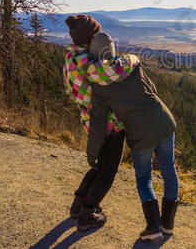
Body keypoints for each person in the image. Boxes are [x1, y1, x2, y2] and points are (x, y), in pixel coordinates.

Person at [77, 21, 179, 241]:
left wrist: (92, 154)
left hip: (141, 133)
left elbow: (98, 124)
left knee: (144, 178)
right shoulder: (131, 65)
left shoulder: (99, 87)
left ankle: (153, 227)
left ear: (95, 56)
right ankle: (167, 225)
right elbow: (153, 90)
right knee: (169, 171)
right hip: (164, 121)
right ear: (113, 51)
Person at [63, 15, 138, 231]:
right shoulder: (86, 64)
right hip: (108, 124)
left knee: (99, 166)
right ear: (90, 38)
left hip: (90, 120)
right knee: (107, 172)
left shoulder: (71, 57)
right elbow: (117, 69)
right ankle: (87, 215)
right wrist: (133, 58)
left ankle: (78, 205)